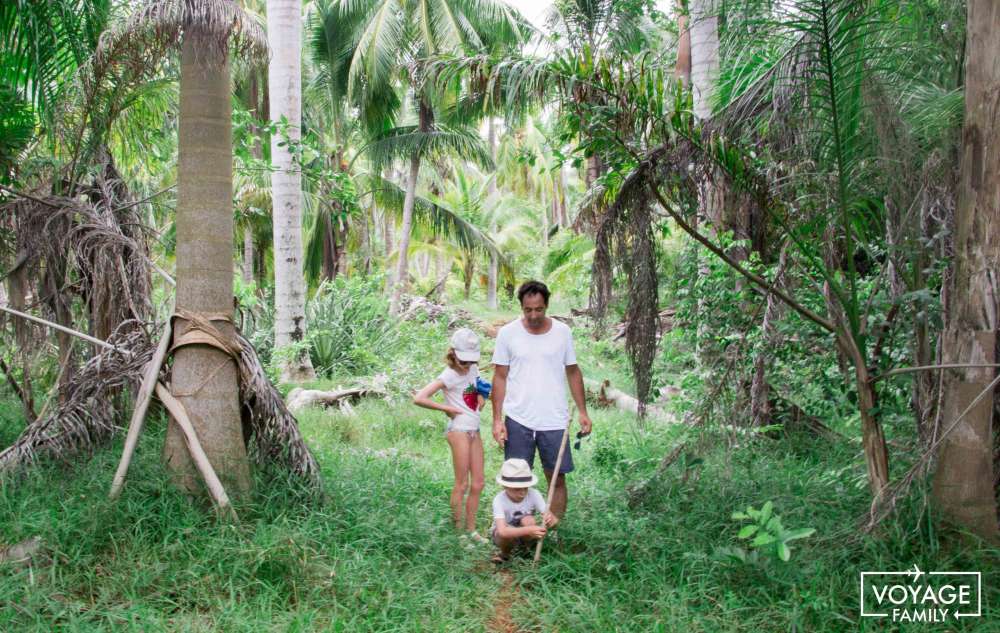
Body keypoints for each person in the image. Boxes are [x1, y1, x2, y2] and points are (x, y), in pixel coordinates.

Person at [491, 280, 592, 520]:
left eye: (539, 309)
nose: (534, 315)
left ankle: (550, 532)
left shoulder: (562, 332)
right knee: (515, 479)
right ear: (521, 307)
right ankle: (516, 533)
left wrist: (583, 411)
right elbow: (500, 377)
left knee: (556, 477)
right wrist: (497, 420)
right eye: (528, 310)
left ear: (547, 305)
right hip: (518, 418)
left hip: (554, 419)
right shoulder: (507, 334)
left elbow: (573, 371)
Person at [413, 328, 489, 544]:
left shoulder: (473, 369)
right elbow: (419, 398)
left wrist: (481, 399)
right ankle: (459, 534)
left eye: (470, 361)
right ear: (453, 353)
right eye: (463, 361)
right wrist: (446, 408)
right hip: (458, 431)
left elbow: (474, 396)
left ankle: (472, 530)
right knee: (462, 483)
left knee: (479, 483)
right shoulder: (449, 375)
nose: (466, 365)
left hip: (475, 429)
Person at [490, 458, 558, 562]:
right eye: (517, 489)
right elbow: (503, 531)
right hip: (505, 534)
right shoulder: (499, 500)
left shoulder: (534, 494)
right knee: (504, 535)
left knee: (528, 520)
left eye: (525, 488)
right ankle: (505, 554)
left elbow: (553, 520)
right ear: (505, 486)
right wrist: (529, 530)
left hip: (526, 533)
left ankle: (526, 550)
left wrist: (550, 519)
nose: (523, 493)